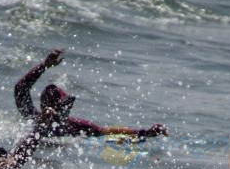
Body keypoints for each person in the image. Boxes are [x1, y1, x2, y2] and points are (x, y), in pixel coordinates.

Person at [15, 49, 169, 139]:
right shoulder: (32, 118)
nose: (65, 110)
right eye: (60, 107)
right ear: (45, 107)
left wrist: (146, 133)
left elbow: (107, 133)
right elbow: (20, 89)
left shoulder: (74, 127)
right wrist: (44, 66)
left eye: (66, 106)